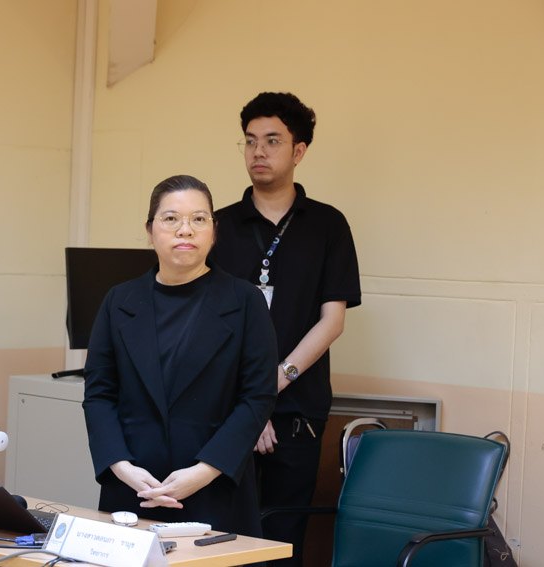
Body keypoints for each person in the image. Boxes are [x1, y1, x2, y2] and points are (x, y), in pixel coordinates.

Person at [210, 92, 362, 565]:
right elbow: (207, 325)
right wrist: (249, 406)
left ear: (299, 151)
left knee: (282, 542)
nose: (258, 151)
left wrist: (269, 388)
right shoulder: (217, 226)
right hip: (224, 411)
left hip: (298, 411)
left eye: (272, 140)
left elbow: (332, 321)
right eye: (250, 140)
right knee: (219, 540)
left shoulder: (328, 225)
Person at [82, 174, 278, 537]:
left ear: (213, 231)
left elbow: (257, 398)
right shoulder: (119, 301)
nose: (185, 229)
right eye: (171, 218)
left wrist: (203, 472)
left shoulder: (245, 301)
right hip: (134, 489)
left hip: (215, 488)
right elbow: (98, 395)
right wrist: (122, 468)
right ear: (150, 230)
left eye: (199, 219)